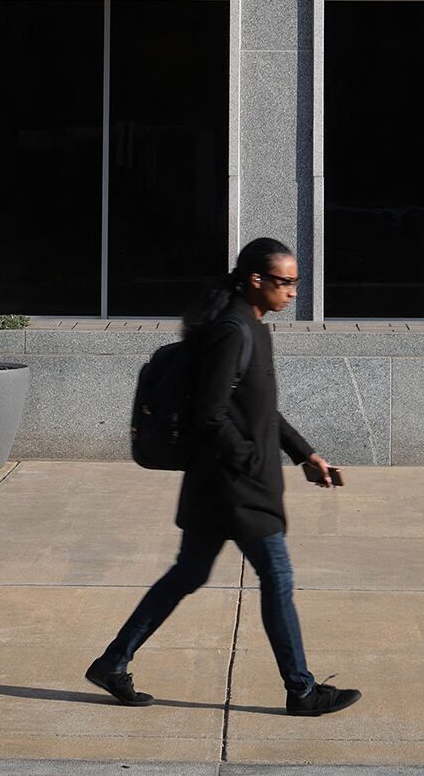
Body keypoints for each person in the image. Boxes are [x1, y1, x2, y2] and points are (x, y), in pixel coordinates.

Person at [86, 238, 362, 717]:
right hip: (235, 487)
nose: (293, 292)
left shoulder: (250, 325)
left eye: (296, 282)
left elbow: (260, 408)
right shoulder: (234, 329)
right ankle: (301, 691)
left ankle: (113, 662)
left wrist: (304, 454)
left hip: (221, 484)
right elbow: (209, 413)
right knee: (277, 577)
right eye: (286, 282)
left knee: (187, 574)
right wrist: (249, 460)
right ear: (257, 280)